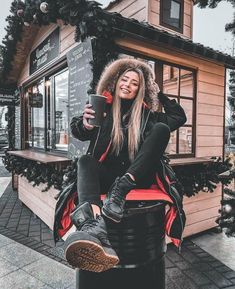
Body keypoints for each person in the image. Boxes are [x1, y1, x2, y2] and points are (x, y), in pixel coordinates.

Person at [63, 58, 187, 272]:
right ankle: (93, 229)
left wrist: (158, 93)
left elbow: (178, 116)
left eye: (134, 83)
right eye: (124, 79)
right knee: (85, 160)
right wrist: (85, 123)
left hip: (136, 179)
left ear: (140, 89)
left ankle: (119, 193)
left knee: (161, 129)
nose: (127, 85)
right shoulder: (102, 110)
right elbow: (78, 129)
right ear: (116, 81)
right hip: (106, 177)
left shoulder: (148, 116)